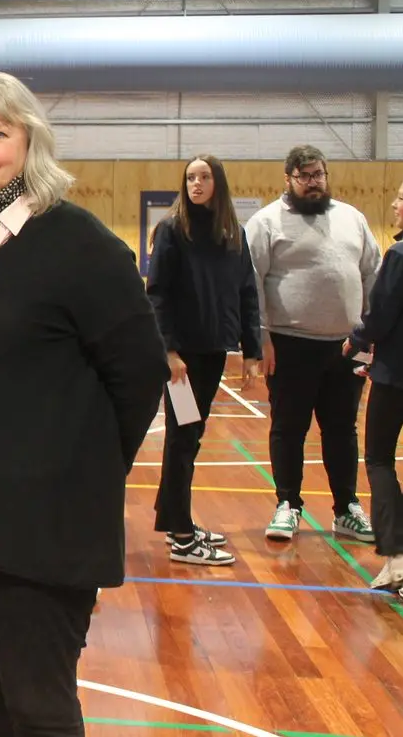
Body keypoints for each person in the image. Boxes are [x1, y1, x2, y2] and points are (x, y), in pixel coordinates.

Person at [0, 71, 167, 737]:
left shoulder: (77, 244)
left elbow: (139, 373)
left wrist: (78, 472)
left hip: (35, 529)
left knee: (36, 705)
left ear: (29, 142)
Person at [245, 145, 379, 544]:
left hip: (347, 346)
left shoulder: (352, 218)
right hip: (289, 345)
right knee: (289, 428)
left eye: (318, 174)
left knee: (342, 429)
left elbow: (372, 275)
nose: (313, 182)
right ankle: (288, 504)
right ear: (288, 179)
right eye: (304, 176)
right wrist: (261, 339)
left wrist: (372, 336)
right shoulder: (266, 221)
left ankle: (346, 509)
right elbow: (249, 285)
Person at [146, 155, 262, 566]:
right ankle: (181, 535)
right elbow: (156, 293)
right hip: (183, 359)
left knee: (189, 439)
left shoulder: (234, 233)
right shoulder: (173, 231)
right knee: (182, 440)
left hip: (214, 352)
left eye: (204, 176)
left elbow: (247, 293)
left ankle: (174, 518)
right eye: (190, 177)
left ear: (219, 183)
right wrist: (169, 351)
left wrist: (252, 351)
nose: (196, 183)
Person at [346, 179, 403, 591]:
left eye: (402, 198)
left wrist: (359, 340)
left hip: (395, 377)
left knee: (380, 459)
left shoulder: (398, 255)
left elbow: (380, 315)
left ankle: (397, 558)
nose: (396, 204)